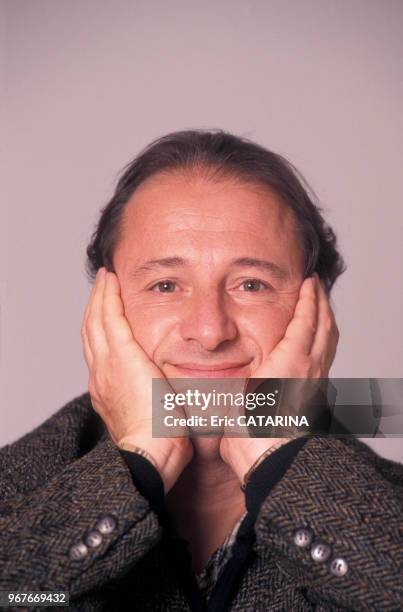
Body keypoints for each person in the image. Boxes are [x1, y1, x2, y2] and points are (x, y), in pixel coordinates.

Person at [1, 130, 402, 611]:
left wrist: (276, 448)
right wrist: (133, 469)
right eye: (166, 285)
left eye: (252, 284)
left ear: (316, 312)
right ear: (103, 309)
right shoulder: (13, 491)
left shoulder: (386, 511)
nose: (210, 332)